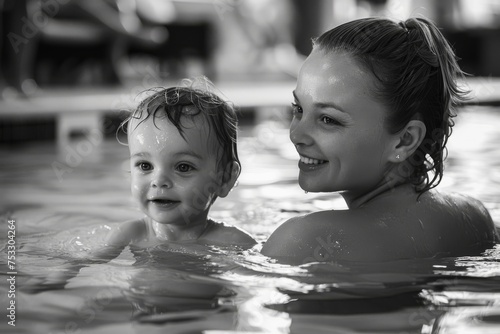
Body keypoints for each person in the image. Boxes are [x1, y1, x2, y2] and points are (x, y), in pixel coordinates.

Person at [261, 17, 499, 264]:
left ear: (404, 141)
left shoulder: (303, 242)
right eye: (298, 109)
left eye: (328, 120)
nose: (295, 135)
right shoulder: (475, 218)